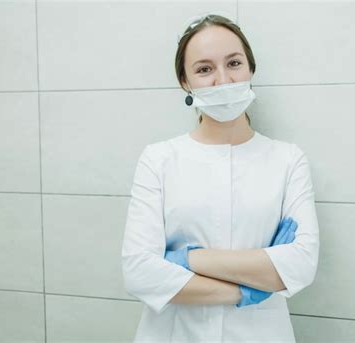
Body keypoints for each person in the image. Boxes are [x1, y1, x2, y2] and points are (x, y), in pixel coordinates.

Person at [121, 13, 320, 342]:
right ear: (184, 82)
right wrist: (249, 288)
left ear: (250, 69)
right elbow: (139, 273)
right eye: (204, 69)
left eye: (234, 63)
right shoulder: (159, 159)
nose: (224, 80)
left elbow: (300, 265)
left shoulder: (288, 159)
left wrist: (186, 259)